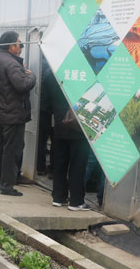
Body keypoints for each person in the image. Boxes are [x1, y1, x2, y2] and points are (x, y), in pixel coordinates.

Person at [0, 31, 36, 196]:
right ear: (12, 46)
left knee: (0, 150)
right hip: (11, 115)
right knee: (11, 151)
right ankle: (6, 186)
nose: (21, 47)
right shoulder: (12, 64)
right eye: (19, 43)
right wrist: (32, 76)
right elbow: (22, 85)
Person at [44, 69, 90, 211]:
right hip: (79, 127)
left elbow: (45, 101)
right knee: (78, 164)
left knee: (60, 162)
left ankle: (58, 197)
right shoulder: (86, 72)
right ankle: (76, 201)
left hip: (59, 125)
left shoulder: (52, 71)